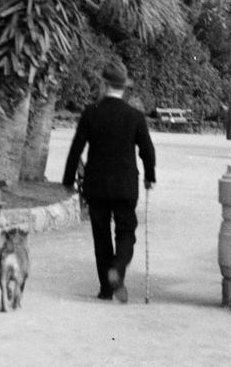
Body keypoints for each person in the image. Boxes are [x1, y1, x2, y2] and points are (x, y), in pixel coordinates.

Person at [62, 57, 156, 303]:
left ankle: (105, 288)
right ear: (124, 87)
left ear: (104, 84)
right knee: (126, 232)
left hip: (97, 184)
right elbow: (147, 150)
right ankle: (118, 268)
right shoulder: (135, 115)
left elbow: (76, 148)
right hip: (125, 185)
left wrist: (67, 179)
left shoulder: (91, 113)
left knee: (101, 235)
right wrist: (150, 176)